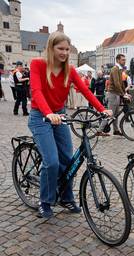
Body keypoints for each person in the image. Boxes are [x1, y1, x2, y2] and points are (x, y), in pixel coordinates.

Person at [28, 31, 112, 218]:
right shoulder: (38, 65)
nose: (64, 53)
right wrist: (48, 113)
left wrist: (101, 109)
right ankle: (45, 201)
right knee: (51, 162)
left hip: (59, 115)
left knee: (67, 160)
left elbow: (86, 91)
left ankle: (66, 197)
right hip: (40, 116)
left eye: (67, 49)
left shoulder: (70, 70)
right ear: (51, 48)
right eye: (60, 48)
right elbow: (37, 91)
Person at [96, 54, 126, 136]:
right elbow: (116, 83)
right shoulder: (115, 69)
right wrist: (123, 94)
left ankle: (116, 130)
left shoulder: (120, 69)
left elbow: (121, 83)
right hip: (112, 94)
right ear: (117, 60)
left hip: (116, 94)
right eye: (123, 60)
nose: (124, 61)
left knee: (115, 114)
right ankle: (99, 130)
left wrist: (125, 93)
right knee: (110, 114)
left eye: (124, 59)